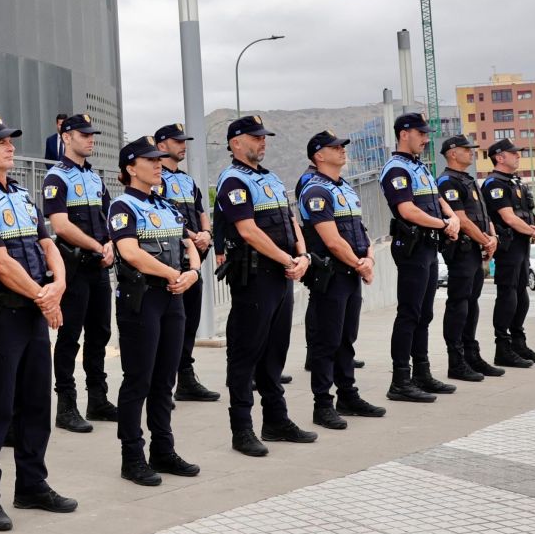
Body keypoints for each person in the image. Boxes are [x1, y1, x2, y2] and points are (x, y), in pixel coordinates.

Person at [0, 113, 79, 529]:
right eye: (0, 142)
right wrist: (44, 297)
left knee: (35, 405)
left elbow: (49, 244)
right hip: (2, 316)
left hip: (33, 312)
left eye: (11, 140)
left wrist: (58, 284)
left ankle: (32, 485)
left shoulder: (24, 197)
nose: (10, 147)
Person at [213, 115, 314, 456]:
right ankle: (241, 429)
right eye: (255, 137)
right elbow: (248, 231)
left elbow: (290, 220)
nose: (263, 142)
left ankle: (275, 420)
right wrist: (288, 261)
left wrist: (302, 256)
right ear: (236, 143)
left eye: (264, 136)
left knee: (275, 352)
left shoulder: (269, 178)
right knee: (245, 354)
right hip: (255, 278)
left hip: (282, 276)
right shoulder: (232, 181)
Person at [105, 137, 201, 486]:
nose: (159, 164)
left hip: (173, 298)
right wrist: (173, 274)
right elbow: (130, 252)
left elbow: (189, 244)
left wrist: (192, 272)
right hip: (141, 300)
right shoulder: (122, 206)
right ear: (131, 167)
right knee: (138, 380)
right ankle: (132, 457)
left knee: (165, 380)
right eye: (151, 160)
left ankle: (164, 449)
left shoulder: (167, 206)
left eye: (160, 159)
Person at [295, 132, 386, 430]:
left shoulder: (344, 188)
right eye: (335, 148)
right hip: (331, 275)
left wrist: (369, 258)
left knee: (347, 339)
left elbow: (361, 229)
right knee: (327, 342)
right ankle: (323, 404)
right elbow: (332, 241)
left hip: (351, 273)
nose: (341, 151)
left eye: (341, 147)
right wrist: (361, 264)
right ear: (319, 155)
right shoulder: (315, 191)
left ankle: (348, 395)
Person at [379, 113, 460, 403]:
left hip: (428, 246)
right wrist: (443, 224)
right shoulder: (396, 169)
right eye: (421, 134)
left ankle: (421, 374)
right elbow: (407, 210)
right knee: (409, 314)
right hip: (411, 247)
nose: (426, 139)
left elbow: (437, 198)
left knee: (424, 314)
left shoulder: (418, 167)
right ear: (404, 134)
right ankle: (400, 380)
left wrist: (451, 216)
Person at [42, 113, 115, 432]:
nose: (91, 139)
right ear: (67, 137)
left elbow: (109, 215)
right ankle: (66, 406)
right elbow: (60, 225)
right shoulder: (56, 177)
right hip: (74, 267)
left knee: (100, 333)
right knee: (69, 337)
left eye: (92, 134)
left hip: (99, 267)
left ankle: (97, 400)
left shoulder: (95, 177)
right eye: (84, 134)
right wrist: (98, 247)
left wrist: (110, 244)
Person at [153, 122, 220, 404]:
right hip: (171, 262)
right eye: (177, 141)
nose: (183, 145)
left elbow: (200, 211)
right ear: (161, 145)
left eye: (184, 141)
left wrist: (206, 233)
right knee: (170, 327)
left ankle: (186, 377)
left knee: (189, 324)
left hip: (193, 263)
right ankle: (162, 385)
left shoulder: (187, 180)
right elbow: (164, 218)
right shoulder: (156, 178)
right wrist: (194, 236)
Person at [436, 134, 501, 381]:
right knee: (459, 304)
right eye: (466, 149)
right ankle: (456, 361)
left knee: (471, 303)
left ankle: (471, 355)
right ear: (452, 153)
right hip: (462, 250)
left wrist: (491, 237)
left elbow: (483, 215)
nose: (472, 152)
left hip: (476, 249)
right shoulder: (448, 181)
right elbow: (461, 220)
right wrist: (486, 240)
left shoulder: (468, 180)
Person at [483, 139, 535, 366]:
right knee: (508, 294)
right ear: (500, 157)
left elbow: (528, 212)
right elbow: (508, 217)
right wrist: (534, 232)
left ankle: (519, 344)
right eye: (513, 153)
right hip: (508, 245)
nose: (518, 156)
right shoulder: (494, 183)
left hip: (522, 244)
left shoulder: (516, 182)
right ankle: (503, 348)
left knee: (521, 293)